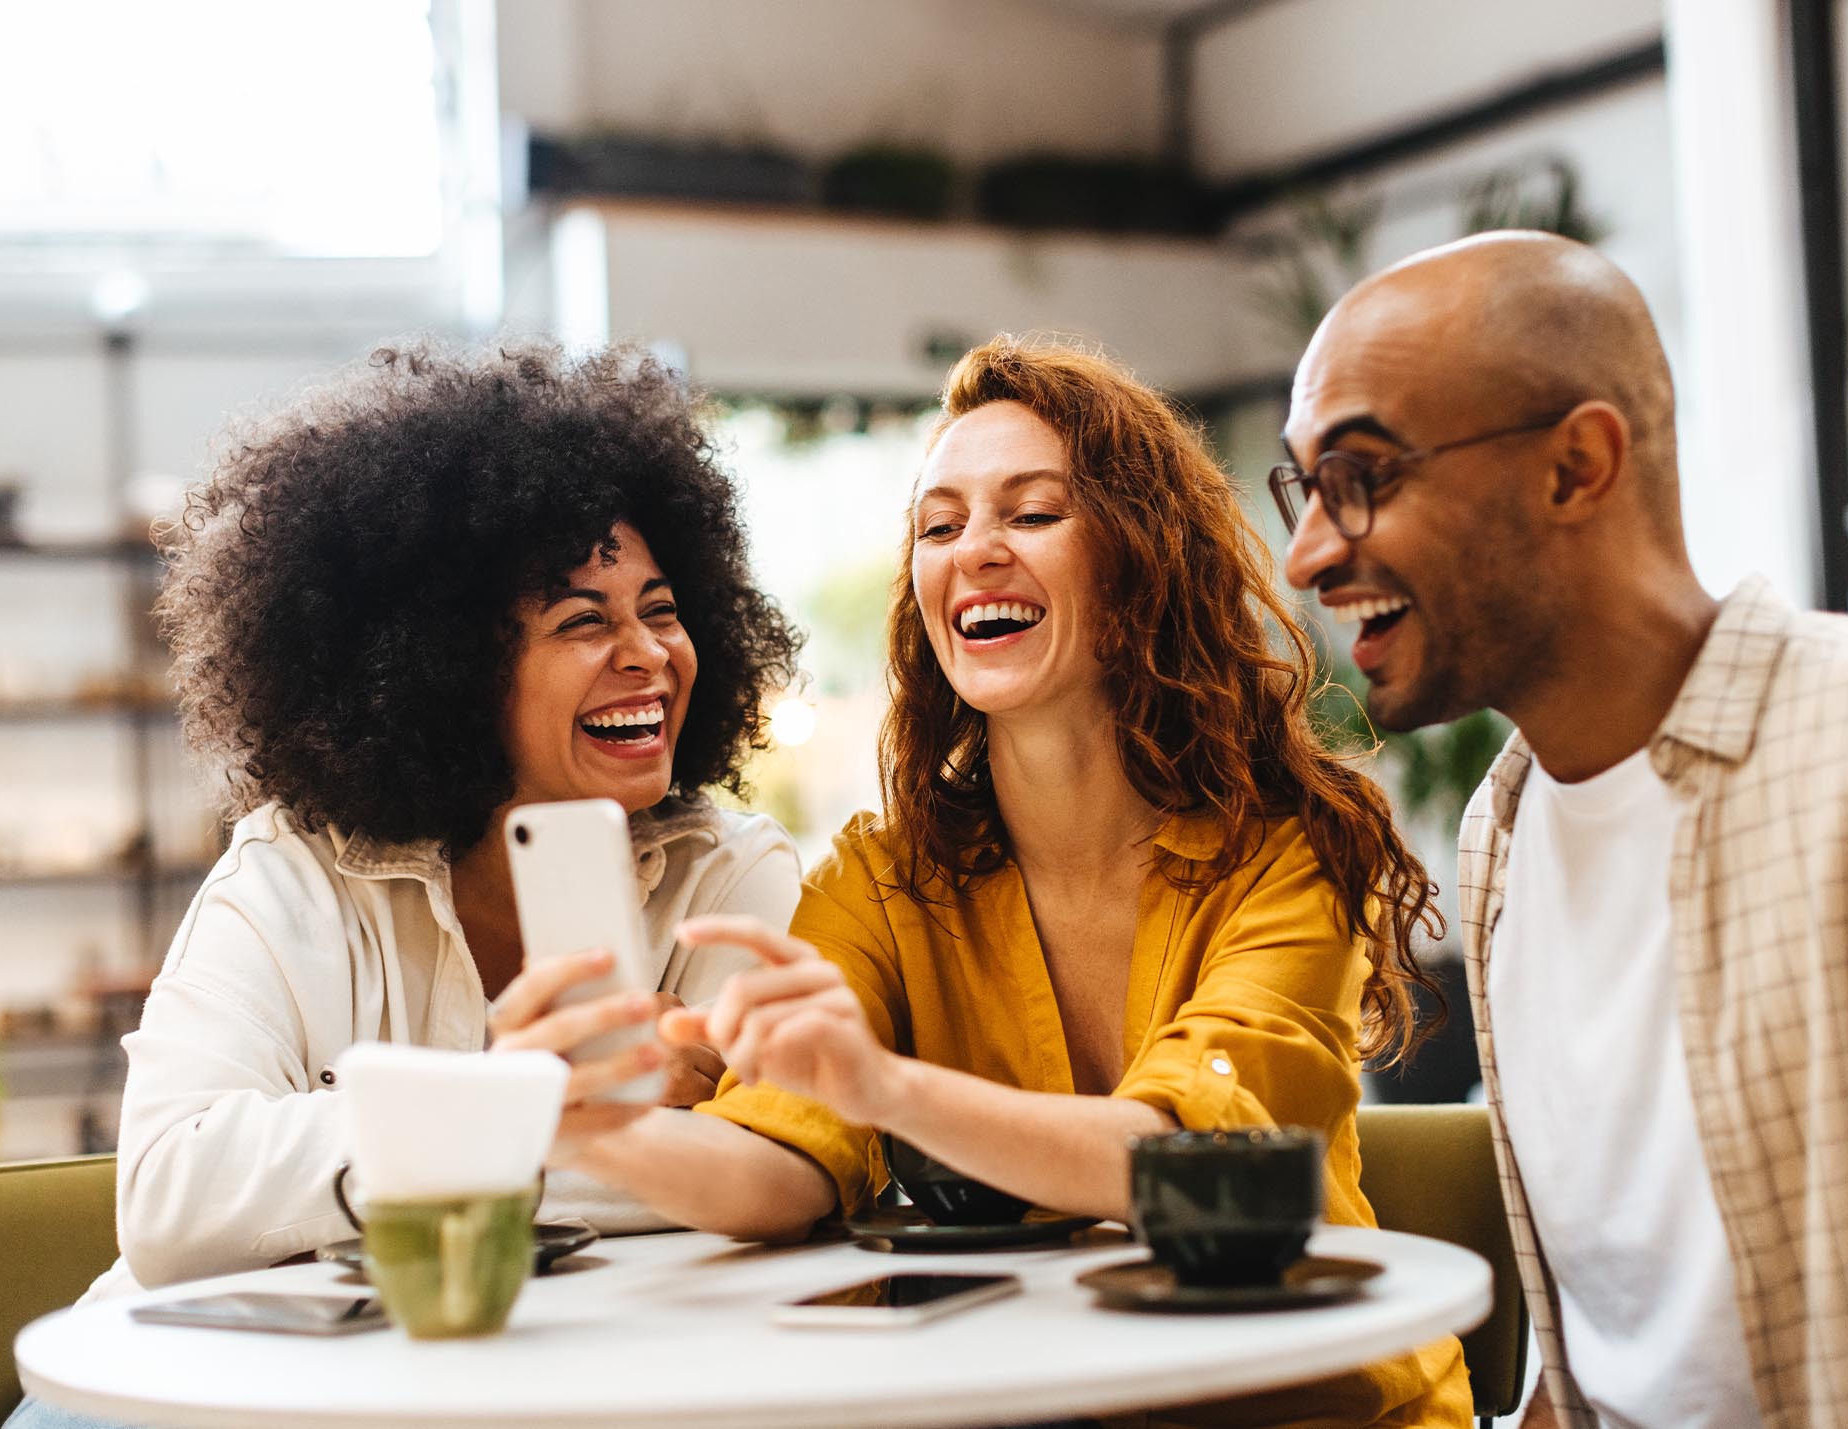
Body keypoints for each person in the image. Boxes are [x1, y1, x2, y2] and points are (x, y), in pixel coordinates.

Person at [495, 337, 1473, 1426]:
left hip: (1311, 1405)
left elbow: (1187, 1154)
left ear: (1141, 557)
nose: (976, 553)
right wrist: (590, 1127)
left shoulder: (1287, 850)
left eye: (1033, 513)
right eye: (939, 524)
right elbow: (776, 1164)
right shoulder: (883, 878)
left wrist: (885, 1087)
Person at [1275, 232, 1848, 1428]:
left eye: (1359, 476)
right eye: (1303, 490)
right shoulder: (1500, 831)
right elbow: (1601, 1368)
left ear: (1575, 466)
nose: (1308, 552)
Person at [76, 341, 804, 1300]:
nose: (647, 655)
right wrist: (520, 1097)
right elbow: (172, 1202)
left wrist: (407, 1142)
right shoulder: (292, 876)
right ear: (452, 668)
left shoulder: (729, 877)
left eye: (661, 610)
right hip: (196, 1388)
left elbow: (767, 1174)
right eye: (583, 621)